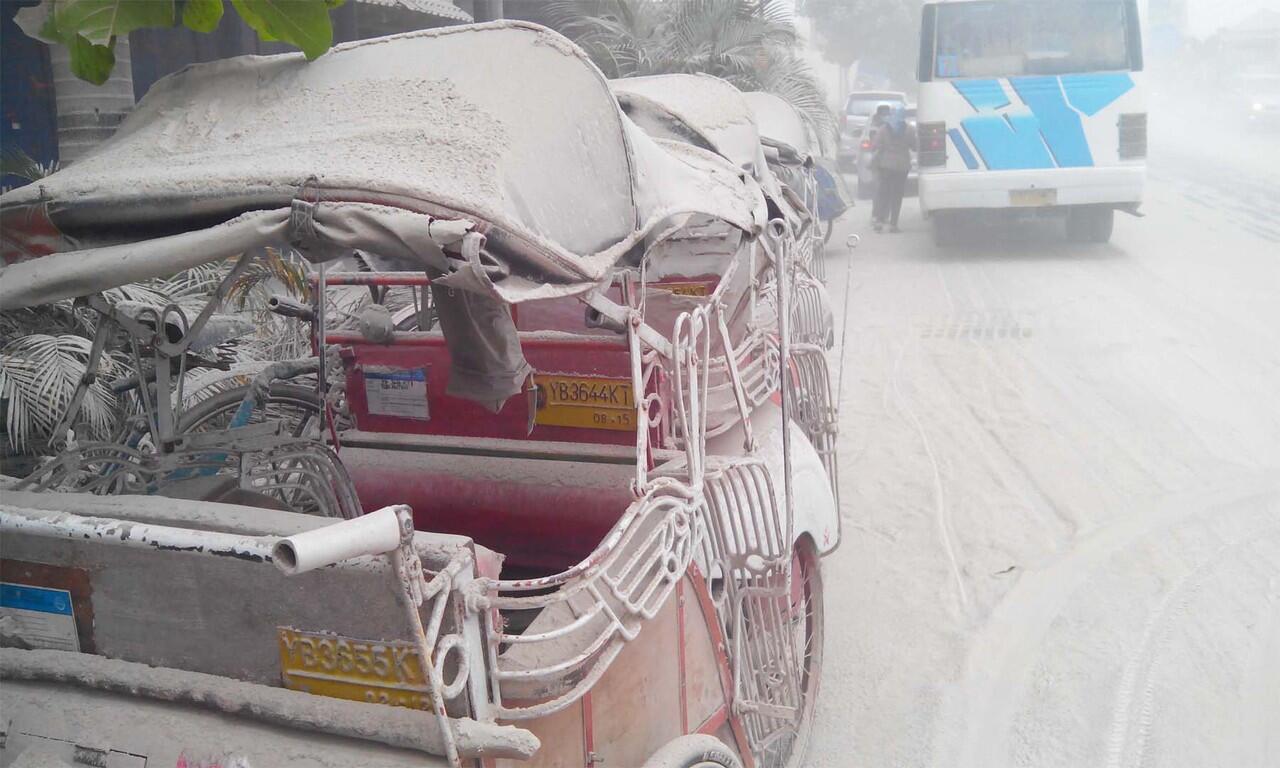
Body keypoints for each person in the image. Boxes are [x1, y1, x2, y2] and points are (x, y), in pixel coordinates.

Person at [871, 104, 915, 233]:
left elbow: (876, 145)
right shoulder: (909, 130)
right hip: (902, 167)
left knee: (883, 193)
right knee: (897, 195)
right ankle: (893, 224)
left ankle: (879, 221)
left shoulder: (883, 129)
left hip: (885, 166)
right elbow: (914, 146)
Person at [867, 103, 893, 224]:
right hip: (878, 164)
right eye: (884, 114)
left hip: (889, 164)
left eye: (888, 114)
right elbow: (874, 145)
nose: (886, 116)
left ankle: (885, 215)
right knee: (878, 190)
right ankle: (876, 215)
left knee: (888, 190)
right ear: (879, 115)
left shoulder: (890, 126)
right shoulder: (874, 128)